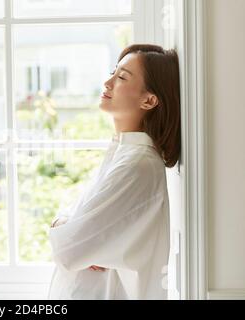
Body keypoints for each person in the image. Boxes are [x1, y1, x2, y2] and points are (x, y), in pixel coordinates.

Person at [47, 44, 181, 300]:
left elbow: (68, 248)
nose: (108, 82)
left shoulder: (137, 166)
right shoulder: (122, 153)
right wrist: (67, 226)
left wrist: (65, 227)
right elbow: (73, 238)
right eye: (113, 72)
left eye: (121, 77)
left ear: (149, 100)